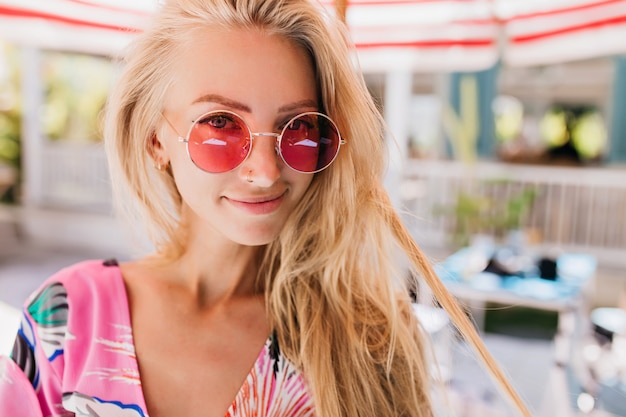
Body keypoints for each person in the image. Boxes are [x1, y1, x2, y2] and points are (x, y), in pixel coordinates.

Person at [0, 0, 532, 416]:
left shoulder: (367, 341)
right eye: (220, 124)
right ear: (156, 139)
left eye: (298, 127)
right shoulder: (66, 318)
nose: (266, 170)